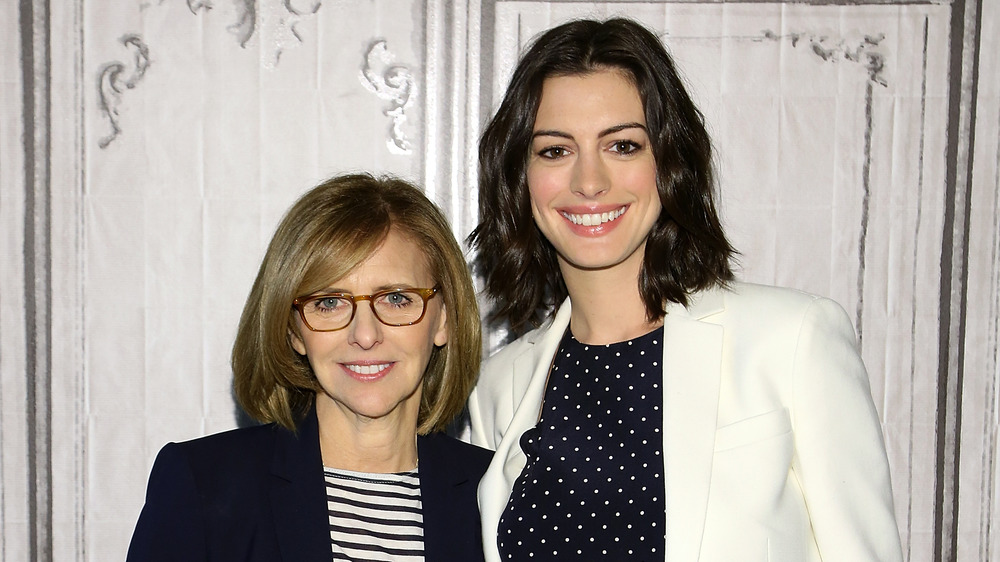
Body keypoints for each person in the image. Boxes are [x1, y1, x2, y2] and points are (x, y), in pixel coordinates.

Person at [467, 17, 902, 562]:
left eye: (623, 145)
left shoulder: (792, 340)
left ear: (670, 161)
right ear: (519, 177)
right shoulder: (498, 390)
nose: (589, 181)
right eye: (555, 150)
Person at [127, 173, 492, 561]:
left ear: (443, 320)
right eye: (329, 303)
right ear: (294, 330)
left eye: (397, 298)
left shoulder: (499, 494)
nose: (364, 335)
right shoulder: (204, 486)